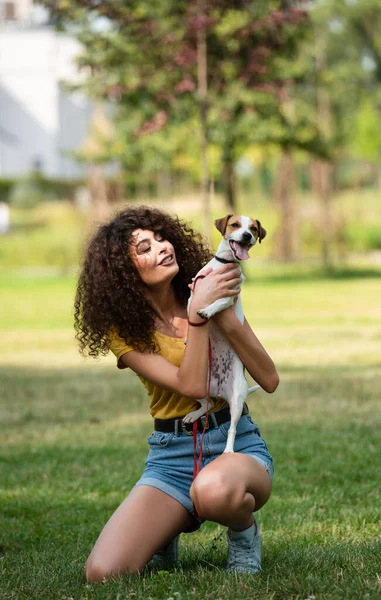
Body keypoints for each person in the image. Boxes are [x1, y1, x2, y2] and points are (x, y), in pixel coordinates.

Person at [74, 205, 279, 581]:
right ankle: (166, 532)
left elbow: (268, 379)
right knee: (102, 572)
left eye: (161, 237)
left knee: (213, 490)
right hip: (172, 457)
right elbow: (190, 386)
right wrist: (199, 315)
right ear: (123, 271)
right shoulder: (123, 332)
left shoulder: (211, 292)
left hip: (234, 446)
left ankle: (244, 532)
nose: (162, 248)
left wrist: (220, 314)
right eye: (145, 248)